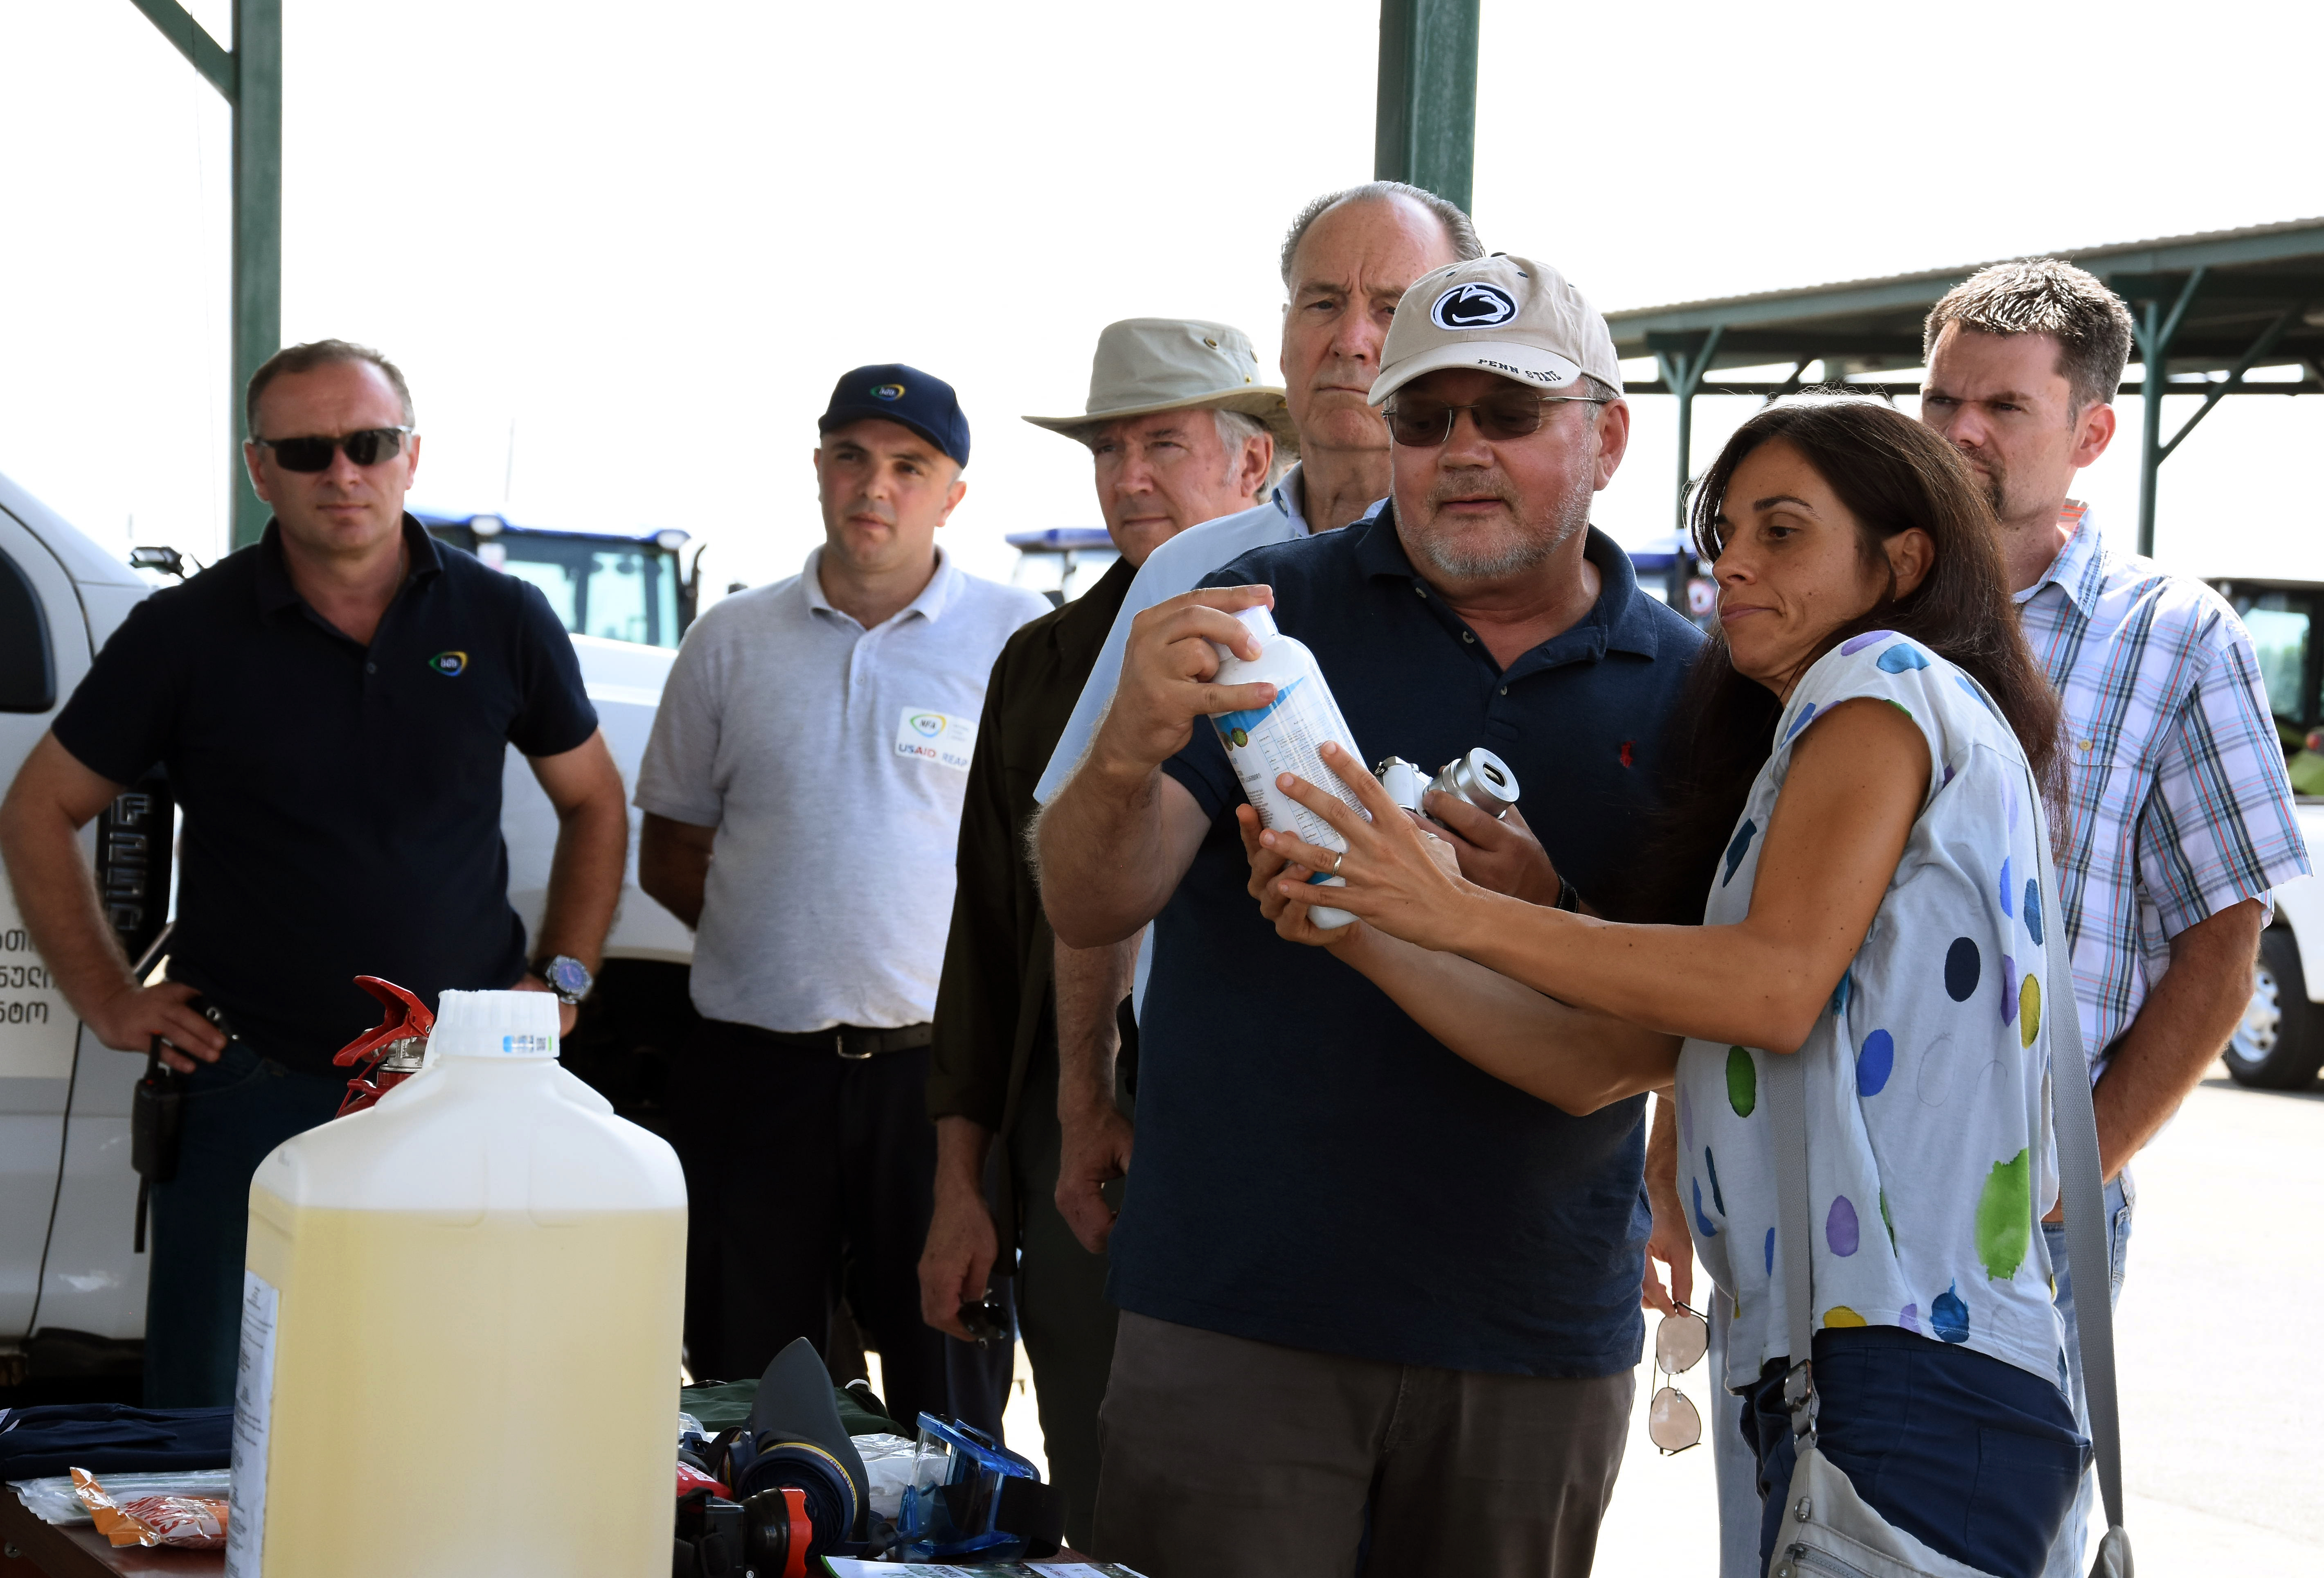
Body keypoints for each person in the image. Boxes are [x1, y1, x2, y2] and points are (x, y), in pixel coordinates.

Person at [1255, 400, 2091, 1576]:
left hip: (1900, 1362)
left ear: (1902, 562)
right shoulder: (1872, 723)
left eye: (1783, 532)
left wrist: (1456, 911)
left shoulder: (1880, 679)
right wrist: (1367, 928)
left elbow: (1772, 986)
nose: (1733, 563)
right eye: (1726, 533)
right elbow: (1604, 1057)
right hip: (1875, 1368)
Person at [1036, 254, 1700, 1576]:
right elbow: (1088, 897)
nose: (1463, 450)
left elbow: (1681, 1019)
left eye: (1508, 414)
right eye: (1425, 417)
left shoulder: (1696, 690)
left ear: (1609, 437)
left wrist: (1504, 908)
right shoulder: (1261, 611)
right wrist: (1122, 752)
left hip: (1529, 1343)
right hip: (1236, 1320)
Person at [0, 339, 627, 1407]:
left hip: (456, 1086)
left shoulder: (502, 619)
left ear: (411, 456)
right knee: (216, 1409)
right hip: (248, 1081)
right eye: (305, 451)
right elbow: (38, 809)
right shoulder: (183, 634)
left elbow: (596, 801)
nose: (342, 472)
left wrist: (565, 981)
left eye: (369, 444)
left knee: (445, 1395)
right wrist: (106, 995)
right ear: (260, 469)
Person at [1918, 258, 2308, 1576]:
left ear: (2091, 433)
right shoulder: (1855, 609)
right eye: (1942, 400)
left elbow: (2224, 949)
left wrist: (2067, 1182)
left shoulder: (2175, 637)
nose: (1961, 431)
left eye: (2003, 408)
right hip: (1831, 1183)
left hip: (2026, 1210)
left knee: (1998, 1539)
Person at [1029, 181, 1497, 1269]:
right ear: (1283, 336)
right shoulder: (1191, 572)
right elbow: (1092, 850)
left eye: (1393, 305)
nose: (1353, 339)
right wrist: (1085, 1096)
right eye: (1322, 302)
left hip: (1456, 1164)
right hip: (1213, 1147)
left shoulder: (1501, 573)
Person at [918, 317, 1286, 1548]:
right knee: (1098, 1488)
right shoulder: (1045, 664)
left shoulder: (1327, 631)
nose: (1128, 478)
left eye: (1162, 445)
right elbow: (987, 940)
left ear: (1251, 461)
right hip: (1079, 1148)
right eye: (1108, 449)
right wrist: (961, 1188)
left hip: (1273, 1145)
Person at [635, 364, 1047, 1434]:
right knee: (754, 1397)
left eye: (911, 467)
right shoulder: (731, 639)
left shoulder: (1019, 635)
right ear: (818, 469)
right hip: (755, 1077)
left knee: (950, 1396)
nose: (876, 486)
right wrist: (782, 941)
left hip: (939, 1086)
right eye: (853, 457)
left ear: (954, 494)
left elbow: (1050, 859)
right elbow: (672, 850)